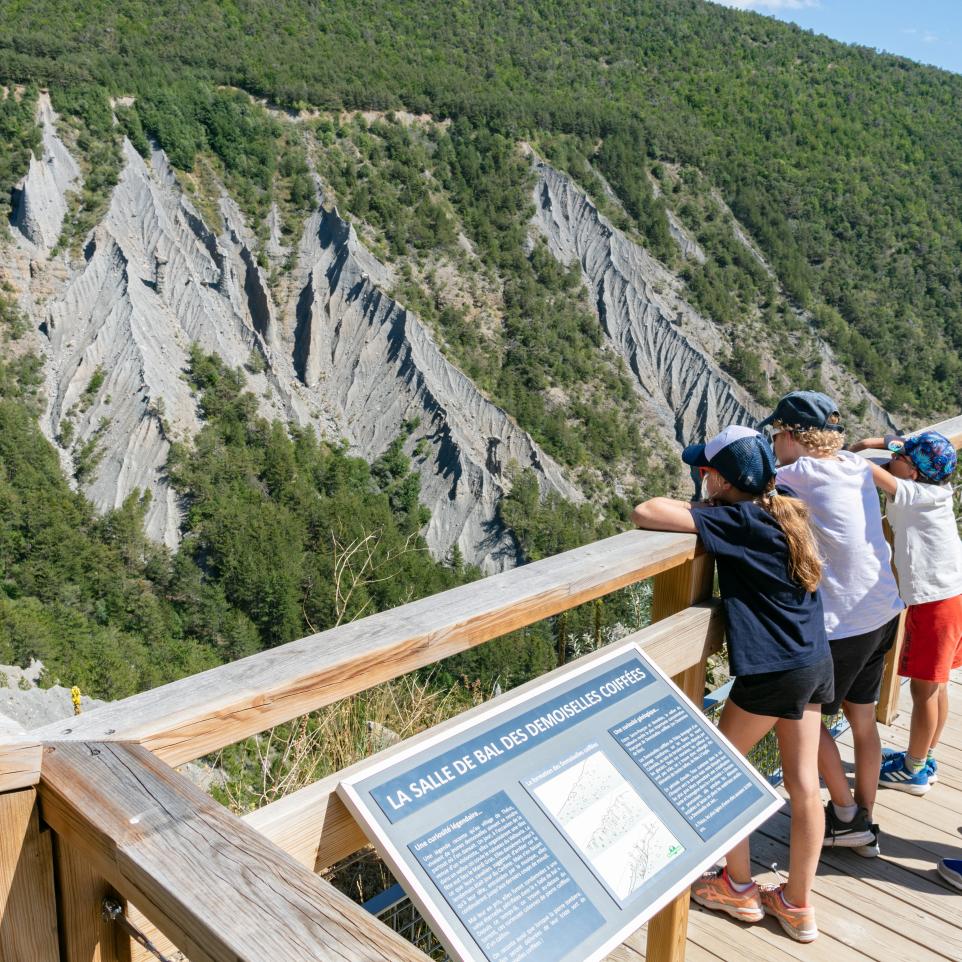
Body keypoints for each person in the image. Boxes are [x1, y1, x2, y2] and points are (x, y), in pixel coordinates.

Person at [632, 425, 831, 943]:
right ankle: (797, 905)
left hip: (772, 670)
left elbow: (646, 511)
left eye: (705, 471)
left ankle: (738, 887)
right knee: (804, 784)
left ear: (720, 479)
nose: (701, 477)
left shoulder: (738, 519)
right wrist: (716, 496)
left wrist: (705, 503)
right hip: (812, 659)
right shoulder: (782, 505)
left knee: (718, 769)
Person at [759, 392, 904, 858]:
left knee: (802, 714)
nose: (773, 442)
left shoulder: (790, 477)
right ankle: (864, 815)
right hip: (883, 609)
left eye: (776, 433)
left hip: (842, 623)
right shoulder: (854, 465)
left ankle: (844, 817)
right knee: (863, 718)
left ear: (793, 435)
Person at [848, 432, 962, 795]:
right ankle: (924, 756)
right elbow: (894, 450)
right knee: (937, 685)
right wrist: (872, 441)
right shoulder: (931, 487)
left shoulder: (914, 495)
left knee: (924, 690)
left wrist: (848, 452)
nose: (893, 457)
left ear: (911, 472)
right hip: (950, 597)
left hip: (935, 606)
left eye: (902, 457)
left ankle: (913, 770)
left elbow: (860, 468)